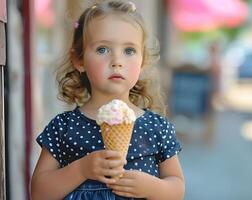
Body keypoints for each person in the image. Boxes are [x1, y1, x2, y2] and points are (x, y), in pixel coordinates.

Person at [31, 1, 185, 200]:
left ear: (142, 62)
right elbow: (38, 193)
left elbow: (177, 188)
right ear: (79, 60)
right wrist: (81, 170)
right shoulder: (63, 127)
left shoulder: (157, 128)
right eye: (103, 49)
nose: (117, 61)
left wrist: (154, 188)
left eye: (129, 51)